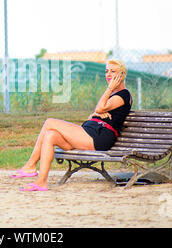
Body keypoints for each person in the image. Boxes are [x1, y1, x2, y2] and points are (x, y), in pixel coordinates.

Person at [11, 59, 132, 191]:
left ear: (122, 74)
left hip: (99, 137)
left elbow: (99, 108)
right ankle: (42, 182)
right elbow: (97, 111)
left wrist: (102, 104)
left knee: (49, 122)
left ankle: (30, 165)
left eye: (113, 71)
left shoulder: (124, 94)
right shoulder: (113, 95)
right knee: (50, 135)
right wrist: (96, 114)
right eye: (107, 71)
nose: (108, 74)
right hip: (89, 133)